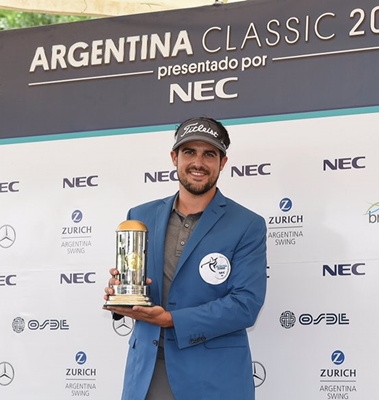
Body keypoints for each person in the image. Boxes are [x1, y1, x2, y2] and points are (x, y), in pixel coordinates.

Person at [103, 116, 267, 400]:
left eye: (209, 154)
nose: (198, 163)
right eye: (189, 152)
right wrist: (122, 296)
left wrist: (171, 320)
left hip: (213, 378)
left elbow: (245, 305)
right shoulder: (140, 216)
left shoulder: (247, 224)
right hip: (148, 373)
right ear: (174, 157)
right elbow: (138, 286)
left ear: (223, 163)